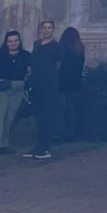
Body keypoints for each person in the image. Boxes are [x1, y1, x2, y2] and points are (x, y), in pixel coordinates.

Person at [0, 30, 30, 157]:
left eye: (16, 40)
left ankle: (3, 144)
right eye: (10, 41)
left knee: (10, 117)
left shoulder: (26, 55)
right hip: (0, 88)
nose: (13, 43)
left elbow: (30, 72)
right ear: (6, 42)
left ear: (19, 41)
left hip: (17, 89)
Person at [24, 19, 64, 160]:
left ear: (53, 29)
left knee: (47, 116)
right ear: (41, 29)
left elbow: (58, 65)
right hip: (37, 85)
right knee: (39, 117)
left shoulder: (57, 47)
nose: (47, 30)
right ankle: (38, 146)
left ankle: (45, 148)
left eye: (49, 27)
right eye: (44, 27)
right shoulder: (37, 44)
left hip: (49, 86)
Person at [58, 26, 86, 143]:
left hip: (62, 83)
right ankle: (71, 133)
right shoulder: (80, 50)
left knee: (61, 109)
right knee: (71, 110)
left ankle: (61, 133)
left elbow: (59, 67)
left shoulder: (62, 49)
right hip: (75, 84)